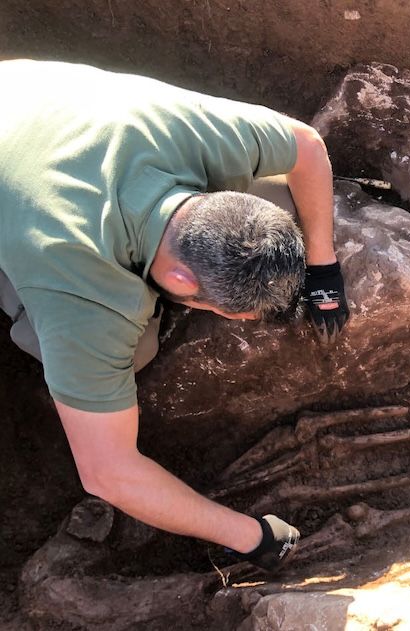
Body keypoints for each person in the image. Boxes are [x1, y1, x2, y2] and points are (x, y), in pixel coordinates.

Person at [0, 59, 350, 570]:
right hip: (32, 201)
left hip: (23, 93)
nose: (248, 324)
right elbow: (107, 473)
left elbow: (306, 147)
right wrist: (252, 536)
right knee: (135, 349)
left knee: (286, 197)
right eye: (233, 313)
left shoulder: (192, 134)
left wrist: (323, 263)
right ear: (183, 283)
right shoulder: (89, 301)